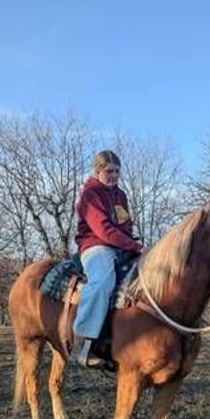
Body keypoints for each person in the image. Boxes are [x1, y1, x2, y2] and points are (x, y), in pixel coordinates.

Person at [73, 150, 144, 368]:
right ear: (97, 171)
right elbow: (103, 230)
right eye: (109, 171)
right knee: (103, 280)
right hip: (96, 246)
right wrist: (135, 246)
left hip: (121, 246)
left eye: (117, 172)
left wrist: (134, 245)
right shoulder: (90, 194)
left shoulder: (120, 195)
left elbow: (125, 225)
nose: (113, 176)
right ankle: (83, 343)